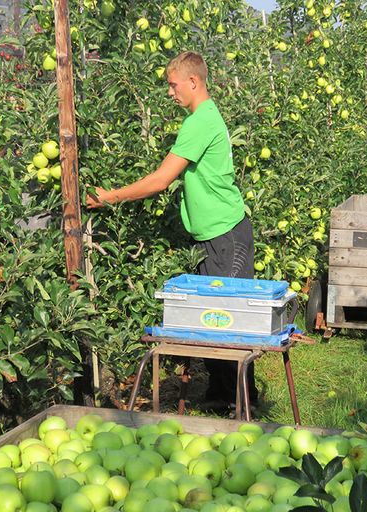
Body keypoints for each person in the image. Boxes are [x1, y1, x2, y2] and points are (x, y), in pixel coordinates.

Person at [86, 51, 258, 410]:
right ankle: (220, 395)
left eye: (173, 85)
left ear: (193, 82)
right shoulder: (205, 117)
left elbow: (162, 180)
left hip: (226, 234)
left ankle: (243, 401)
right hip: (213, 235)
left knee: (228, 319)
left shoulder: (200, 121)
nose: (170, 92)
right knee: (213, 314)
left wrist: (109, 198)